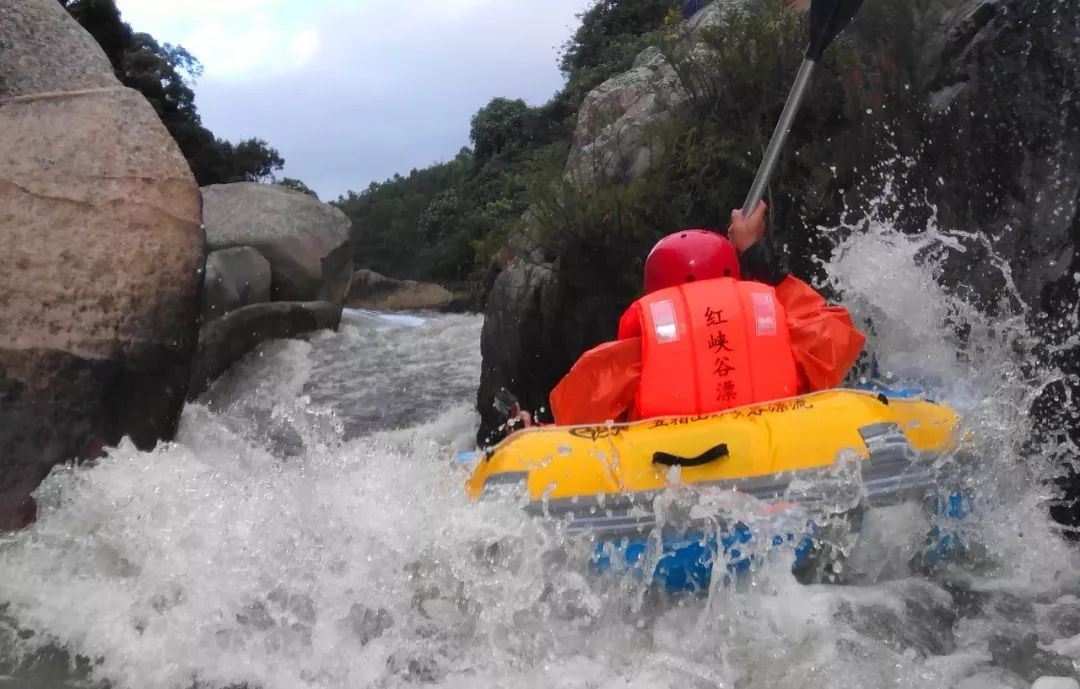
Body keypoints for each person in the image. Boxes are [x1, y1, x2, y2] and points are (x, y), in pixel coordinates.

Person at [544, 201, 867, 426]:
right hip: (777, 463)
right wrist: (761, 260)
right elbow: (836, 335)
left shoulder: (631, 361)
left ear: (655, 296)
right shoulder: (784, 341)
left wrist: (529, 427)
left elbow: (572, 421)